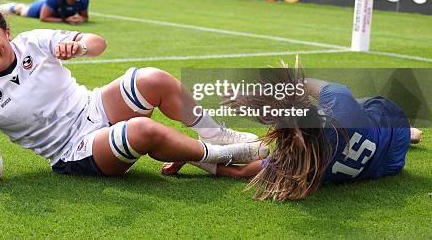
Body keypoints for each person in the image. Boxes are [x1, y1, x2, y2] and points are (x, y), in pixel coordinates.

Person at [0, 7, 267, 182]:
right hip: (74, 151)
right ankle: (224, 156)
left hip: (93, 106)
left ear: (7, 33)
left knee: (152, 79)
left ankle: (217, 136)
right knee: (142, 131)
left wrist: (79, 46)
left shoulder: (34, 42)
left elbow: (98, 42)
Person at [162, 62, 422, 201]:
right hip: (390, 133)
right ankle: (409, 133)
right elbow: (306, 85)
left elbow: (240, 171)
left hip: (388, 163)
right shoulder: (341, 104)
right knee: (366, 109)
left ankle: (409, 134)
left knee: (365, 111)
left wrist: (199, 156)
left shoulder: (300, 165)